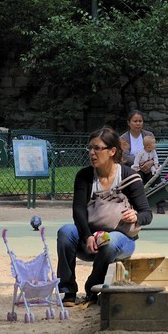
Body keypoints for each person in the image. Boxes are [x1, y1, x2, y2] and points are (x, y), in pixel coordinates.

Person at [56, 126, 152, 303]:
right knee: (65, 232)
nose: (92, 153)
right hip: (90, 238)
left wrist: (136, 216)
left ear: (112, 151)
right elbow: (78, 211)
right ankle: (68, 290)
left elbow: (147, 214)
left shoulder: (129, 176)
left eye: (97, 148)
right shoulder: (84, 176)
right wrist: (86, 236)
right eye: (90, 148)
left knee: (110, 240)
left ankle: (93, 289)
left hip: (120, 240)